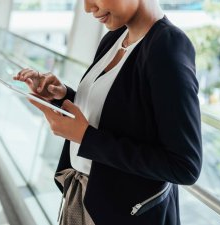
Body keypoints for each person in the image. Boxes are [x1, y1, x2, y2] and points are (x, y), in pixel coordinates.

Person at [13, 0, 202, 224]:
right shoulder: (116, 37)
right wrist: (63, 96)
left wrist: (85, 138)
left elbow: (185, 166)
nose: (87, 7)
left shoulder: (168, 47)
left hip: (124, 213)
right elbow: (119, 114)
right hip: (86, 198)